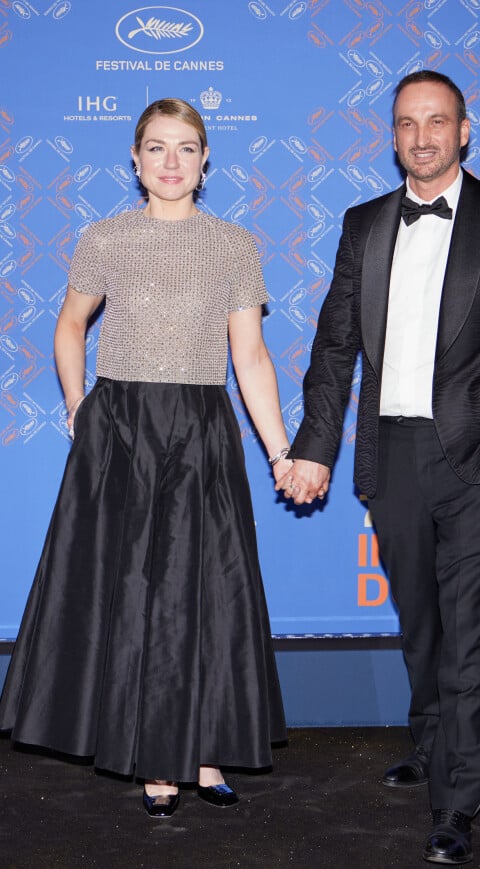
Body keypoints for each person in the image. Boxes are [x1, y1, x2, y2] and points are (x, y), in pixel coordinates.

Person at [279, 70, 480, 864]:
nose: (423, 136)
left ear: (465, 130)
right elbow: (335, 348)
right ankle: (432, 739)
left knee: (466, 629)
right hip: (392, 451)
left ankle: (456, 797)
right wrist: (315, 444)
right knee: (420, 620)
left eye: (437, 121)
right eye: (407, 122)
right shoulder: (364, 223)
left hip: (476, 454)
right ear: (393, 132)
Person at [0, 98, 290, 818]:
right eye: (156, 148)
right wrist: (79, 405)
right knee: (132, 589)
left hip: (200, 427)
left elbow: (249, 356)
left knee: (207, 593)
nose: (170, 162)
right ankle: (151, 760)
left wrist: (281, 450)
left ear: (205, 161)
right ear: (134, 159)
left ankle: (204, 751)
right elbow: (69, 327)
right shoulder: (105, 239)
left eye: (186, 148)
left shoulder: (233, 244)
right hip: (122, 429)